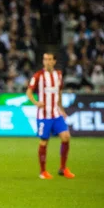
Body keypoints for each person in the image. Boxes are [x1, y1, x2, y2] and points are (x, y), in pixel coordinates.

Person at [25, 52, 75, 180]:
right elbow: (29, 92)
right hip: (44, 115)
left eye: (49, 59)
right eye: (45, 59)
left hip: (56, 113)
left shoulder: (58, 75)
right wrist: (36, 103)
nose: (47, 61)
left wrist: (62, 109)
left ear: (54, 61)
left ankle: (63, 168)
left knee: (66, 137)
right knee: (44, 141)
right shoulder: (38, 76)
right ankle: (43, 172)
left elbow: (59, 92)